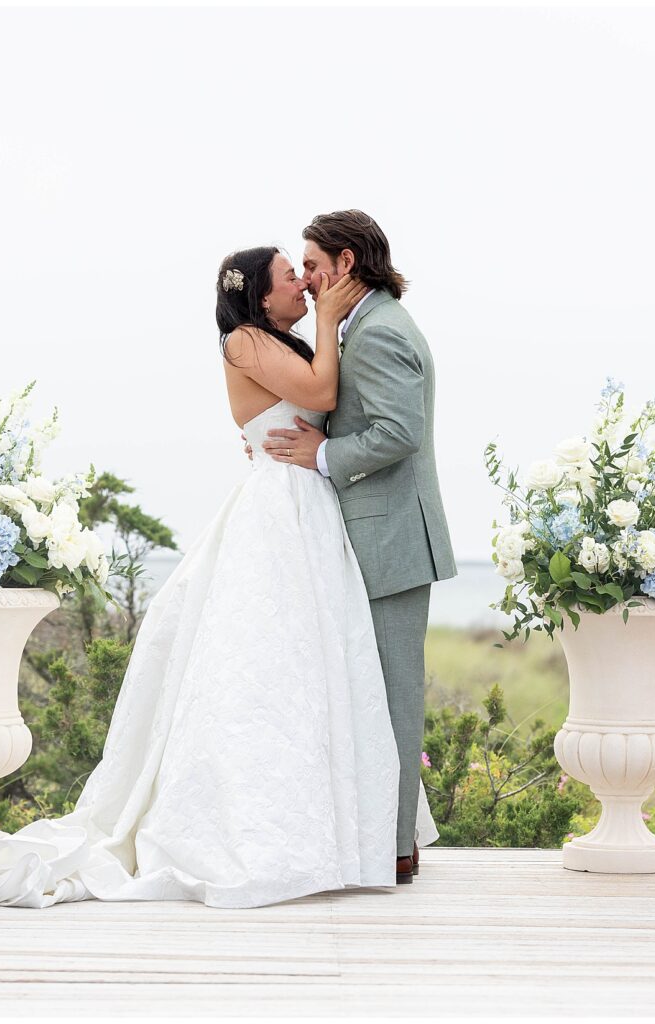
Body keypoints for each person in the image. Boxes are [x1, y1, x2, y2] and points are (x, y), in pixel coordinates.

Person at [0, 245, 436, 911]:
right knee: (262, 662)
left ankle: (335, 830)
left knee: (317, 667)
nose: (304, 287)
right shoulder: (245, 341)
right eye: (291, 277)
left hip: (309, 510)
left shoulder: (274, 340)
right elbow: (321, 391)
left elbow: (319, 402)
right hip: (278, 512)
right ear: (260, 295)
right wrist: (330, 324)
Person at [253, 211, 457, 882]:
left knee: (394, 696)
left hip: (390, 540)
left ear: (344, 263)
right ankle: (382, 834)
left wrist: (323, 454)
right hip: (379, 536)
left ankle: (395, 847)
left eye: (312, 264)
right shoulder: (365, 324)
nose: (307, 279)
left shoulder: (379, 332)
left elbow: (399, 432)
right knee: (370, 692)